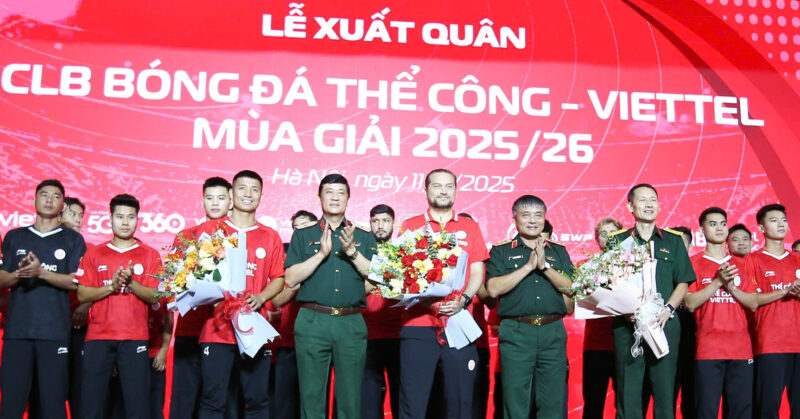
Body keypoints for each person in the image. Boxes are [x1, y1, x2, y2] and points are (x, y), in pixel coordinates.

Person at [397, 169, 489, 419]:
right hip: (418, 326)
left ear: (456, 191)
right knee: (413, 405)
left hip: (459, 324)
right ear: (425, 190)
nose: (443, 191)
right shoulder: (411, 226)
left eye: (449, 186)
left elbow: (477, 272)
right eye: (437, 186)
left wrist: (463, 300)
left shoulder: (470, 226)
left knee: (460, 404)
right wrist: (429, 303)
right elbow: (401, 274)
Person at [284, 174, 376, 419]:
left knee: (350, 400)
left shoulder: (364, 235)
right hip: (313, 320)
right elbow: (290, 279)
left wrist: (353, 252)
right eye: (329, 192)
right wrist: (320, 255)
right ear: (319, 197)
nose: (335, 197)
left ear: (348, 198)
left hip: (351, 322)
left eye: (340, 192)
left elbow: (378, 278)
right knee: (311, 398)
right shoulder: (304, 234)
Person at [195, 170, 285, 419]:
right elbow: (194, 273)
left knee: (257, 401)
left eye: (255, 189)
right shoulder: (212, 230)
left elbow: (279, 278)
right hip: (217, 329)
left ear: (261, 196)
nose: (248, 194)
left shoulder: (270, 236)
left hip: (254, 328)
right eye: (242, 188)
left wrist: (262, 297)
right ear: (231, 194)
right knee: (212, 401)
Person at [607, 183, 695, 419]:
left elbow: (683, 281)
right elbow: (607, 282)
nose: (649, 205)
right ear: (630, 206)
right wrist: (625, 310)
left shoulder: (673, 241)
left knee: (665, 392)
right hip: (628, 325)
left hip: (664, 323)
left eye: (653, 200)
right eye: (643, 200)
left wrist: (668, 309)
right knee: (628, 392)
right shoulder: (617, 241)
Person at [0, 179, 86, 418]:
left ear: (62, 205)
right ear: (33, 200)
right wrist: (19, 274)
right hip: (17, 331)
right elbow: (1, 278)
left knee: (53, 403)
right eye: (44, 194)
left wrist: (41, 273)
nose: (49, 200)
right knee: (11, 403)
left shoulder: (72, 240)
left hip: (54, 332)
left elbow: (77, 282)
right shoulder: (15, 236)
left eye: (56, 196)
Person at [486, 195, 574, 418]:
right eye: (526, 215)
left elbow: (572, 288)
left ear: (545, 218)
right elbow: (493, 289)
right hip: (516, 332)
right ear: (515, 219)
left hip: (553, 331)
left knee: (553, 402)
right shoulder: (501, 250)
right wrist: (527, 267)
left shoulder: (558, 251)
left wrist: (544, 267)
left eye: (538, 215)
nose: (533, 220)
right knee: (515, 402)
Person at [75, 194, 162, 419]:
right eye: (120, 216)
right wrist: (112, 286)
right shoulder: (94, 253)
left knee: (137, 407)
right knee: (91, 405)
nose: (125, 222)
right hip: (98, 338)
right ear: (110, 218)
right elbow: (82, 294)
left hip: (135, 338)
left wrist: (131, 283)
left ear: (138, 220)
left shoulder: (150, 254)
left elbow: (155, 296)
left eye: (130, 217)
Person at [683, 207, 759, 419]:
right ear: (702, 230)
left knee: (741, 412)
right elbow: (690, 303)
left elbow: (753, 303)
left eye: (723, 224)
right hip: (709, 349)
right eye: (713, 224)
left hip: (741, 348)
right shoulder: (693, 263)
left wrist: (732, 288)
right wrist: (717, 282)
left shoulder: (743, 263)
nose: (719, 228)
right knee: (706, 411)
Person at [170, 176, 233, 419]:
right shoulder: (185, 236)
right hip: (190, 327)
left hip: (224, 330)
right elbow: (173, 280)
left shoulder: (237, 236)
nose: (215, 203)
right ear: (202, 201)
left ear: (230, 201)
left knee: (220, 400)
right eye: (210, 198)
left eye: (221, 198)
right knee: (184, 399)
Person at [746, 203, 800, 419]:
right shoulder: (752, 260)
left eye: (784, 220)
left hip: (798, 342)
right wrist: (785, 291)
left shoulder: (797, 259)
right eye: (774, 220)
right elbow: (751, 301)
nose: (781, 224)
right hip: (770, 344)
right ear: (761, 228)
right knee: (768, 408)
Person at [272, 210, 318, 419]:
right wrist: (297, 282)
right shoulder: (286, 257)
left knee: (313, 402)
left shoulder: (327, 256)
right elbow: (277, 299)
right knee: (284, 403)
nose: (300, 231)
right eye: (296, 228)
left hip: (318, 342)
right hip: (288, 342)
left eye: (305, 226)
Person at [361, 204, 402, 419]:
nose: (380, 226)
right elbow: (355, 291)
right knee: (368, 401)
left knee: (402, 398)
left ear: (394, 223)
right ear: (369, 224)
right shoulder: (359, 254)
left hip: (400, 334)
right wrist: (381, 274)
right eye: (375, 221)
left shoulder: (404, 253)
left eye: (385, 221)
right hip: (368, 334)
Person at [582, 217, 623, 419]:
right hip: (596, 345)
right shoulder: (585, 267)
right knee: (593, 403)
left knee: (625, 404)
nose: (609, 237)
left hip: (625, 344)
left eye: (614, 233)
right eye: (604, 234)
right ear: (597, 239)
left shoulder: (634, 265)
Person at [61, 196, 93, 419]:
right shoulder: (46, 245)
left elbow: (101, 284)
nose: (78, 219)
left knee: (80, 388)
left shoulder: (89, 249)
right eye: (73, 214)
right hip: (52, 327)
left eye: (81, 216)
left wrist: (86, 304)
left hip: (81, 328)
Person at [670, 225, 696, 419]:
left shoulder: (698, 268)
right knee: (667, 395)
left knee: (692, 396)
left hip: (694, 343)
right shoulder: (660, 270)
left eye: (683, 243)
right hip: (666, 343)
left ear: (690, 246)